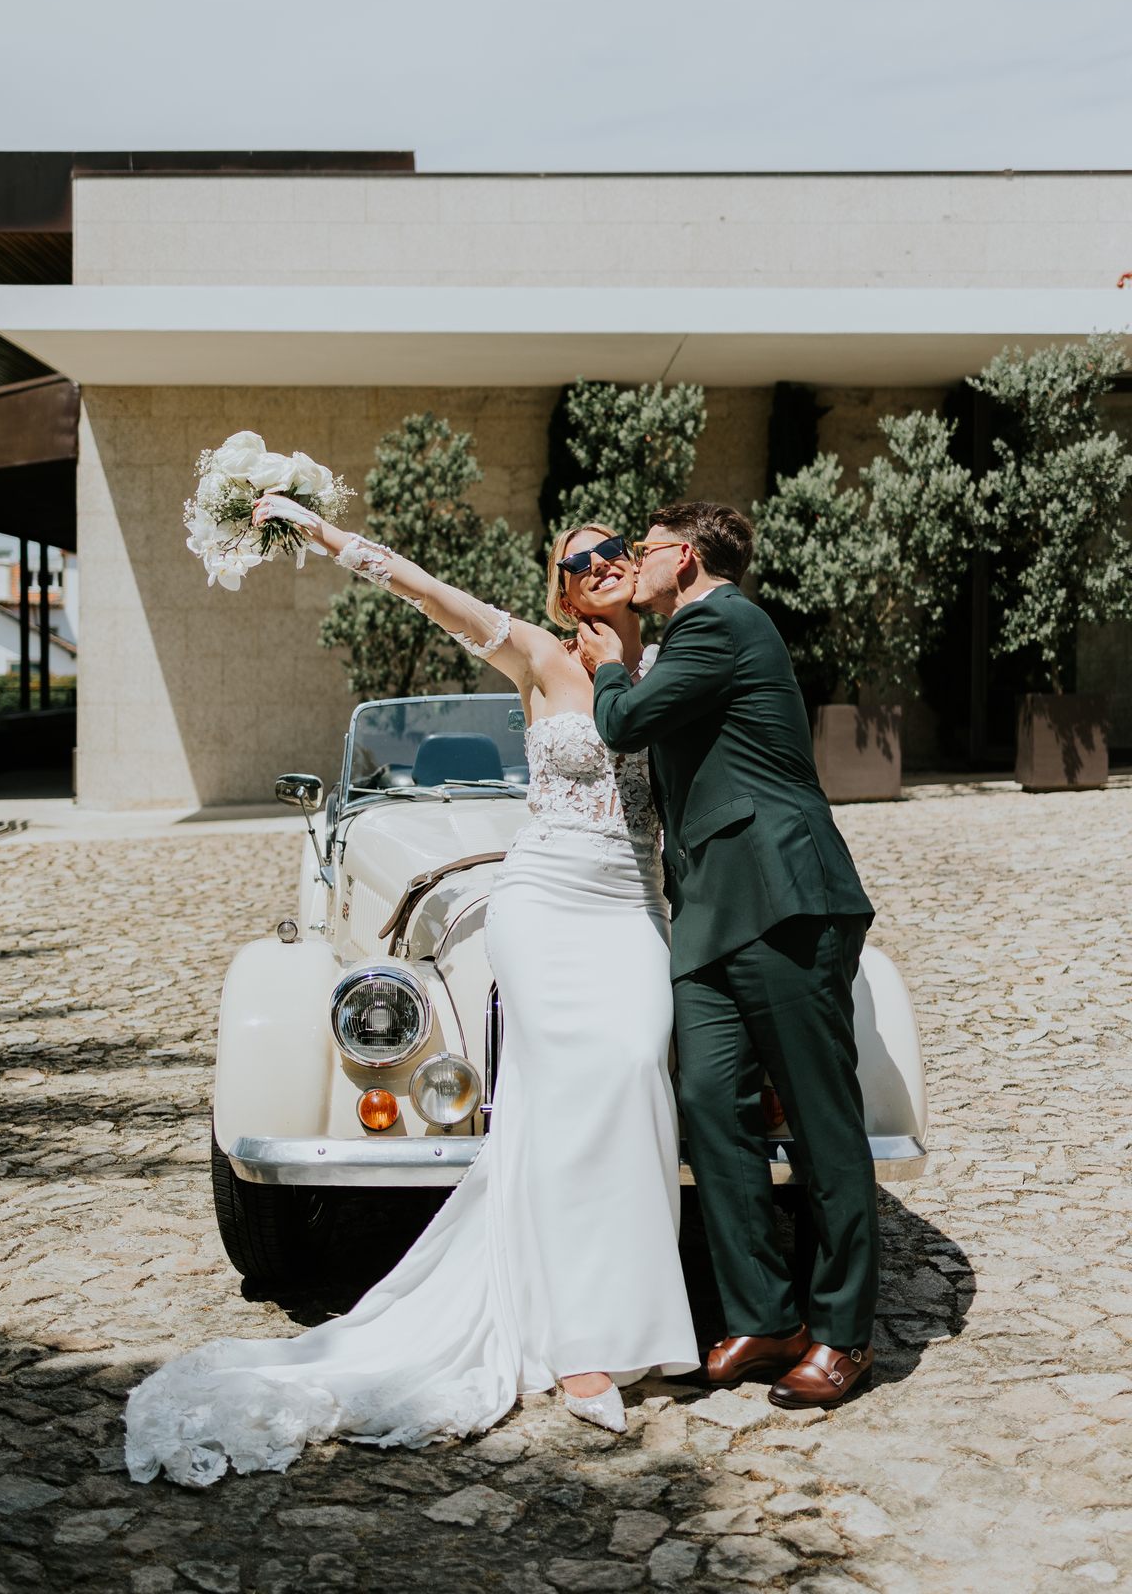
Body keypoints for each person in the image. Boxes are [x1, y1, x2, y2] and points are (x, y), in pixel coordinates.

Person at [123, 506, 698, 1488]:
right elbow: (426, 590)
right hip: (544, 902)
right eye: (576, 560)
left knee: (641, 1068)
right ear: (562, 589)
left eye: (612, 551)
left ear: (638, 571)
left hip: (630, 907)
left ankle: (640, 1318)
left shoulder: (679, 667)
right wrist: (315, 528)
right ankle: (579, 1346)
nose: (597, 566)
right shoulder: (536, 659)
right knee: (556, 1107)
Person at [578, 500, 879, 1411]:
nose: (630, 562)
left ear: (686, 556)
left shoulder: (721, 622)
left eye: (643, 549)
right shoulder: (692, 637)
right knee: (711, 1101)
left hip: (781, 897)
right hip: (706, 912)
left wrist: (604, 670)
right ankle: (763, 1314)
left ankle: (842, 1335)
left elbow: (626, 725)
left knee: (824, 1129)